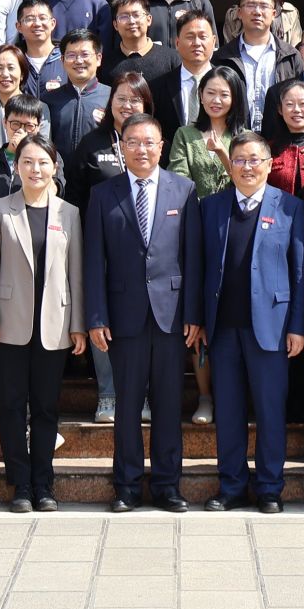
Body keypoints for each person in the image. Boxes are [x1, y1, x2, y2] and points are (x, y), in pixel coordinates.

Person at [83, 115, 198, 512]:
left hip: (171, 314)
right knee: (127, 405)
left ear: (161, 146)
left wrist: (194, 313)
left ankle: (168, 486)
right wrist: (96, 317)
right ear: (121, 147)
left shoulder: (184, 190)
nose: (142, 149)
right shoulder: (103, 194)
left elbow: (192, 256)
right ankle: (127, 486)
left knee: (168, 404)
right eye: (133, 142)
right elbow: (94, 261)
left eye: (149, 142)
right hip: (123, 314)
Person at [191, 131, 304, 514]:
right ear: (230, 165)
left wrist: (297, 325)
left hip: (272, 328)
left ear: (269, 164)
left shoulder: (289, 207)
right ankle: (232, 486)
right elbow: (199, 267)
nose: (247, 167)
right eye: (239, 160)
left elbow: (300, 271)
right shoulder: (211, 207)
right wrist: (197, 319)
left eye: (255, 159)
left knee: (270, 411)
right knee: (228, 411)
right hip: (223, 328)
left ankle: (270, 488)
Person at [0, 134, 85, 512]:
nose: (35, 169)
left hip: (54, 324)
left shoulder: (68, 213)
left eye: (42, 162)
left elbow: (76, 273)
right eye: (27, 161)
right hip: (9, 324)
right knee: (10, 405)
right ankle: (20, 484)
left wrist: (78, 324)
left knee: (45, 407)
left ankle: (44, 483)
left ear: (54, 167)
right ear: (17, 166)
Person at [217, 0, 301, 130]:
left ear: (274, 14)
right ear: (239, 12)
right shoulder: (223, 57)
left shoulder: (291, 56)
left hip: (279, 138)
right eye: (250, 5)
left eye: (264, 6)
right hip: (235, 137)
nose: (257, 11)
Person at [68, 72, 155, 206]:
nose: (127, 106)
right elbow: (74, 196)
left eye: (134, 100)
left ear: (145, 105)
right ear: (111, 101)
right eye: (121, 99)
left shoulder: (156, 145)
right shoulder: (90, 144)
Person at [168, 66, 245, 199]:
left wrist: (222, 153)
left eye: (224, 95)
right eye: (210, 93)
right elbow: (178, 180)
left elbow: (246, 182)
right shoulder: (184, 135)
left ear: (234, 99)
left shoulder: (245, 138)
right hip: (194, 209)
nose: (216, 100)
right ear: (201, 95)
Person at [150, 11, 219, 144]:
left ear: (214, 41)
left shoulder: (229, 83)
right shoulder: (158, 87)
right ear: (177, 43)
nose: (197, 43)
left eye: (203, 36)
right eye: (190, 37)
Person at [44, 29, 109, 162]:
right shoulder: (49, 100)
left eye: (85, 54)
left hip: (99, 173)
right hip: (59, 173)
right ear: (62, 60)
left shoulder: (112, 97)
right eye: (71, 55)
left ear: (98, 59)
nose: (79, 61)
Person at [102, 0, 174, 87]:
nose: (131, 21)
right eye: (124, 17)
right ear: (115, 25)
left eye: (136, 15)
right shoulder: (105, 63)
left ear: (149, 20)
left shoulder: (171, 59)